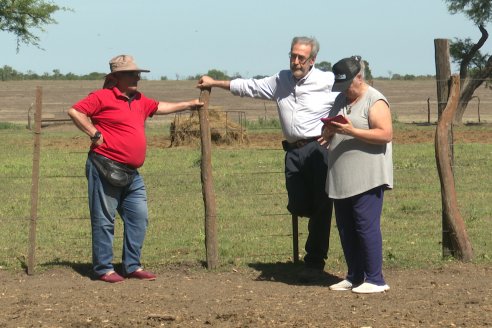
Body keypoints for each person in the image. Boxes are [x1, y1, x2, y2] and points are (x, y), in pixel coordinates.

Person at [197, 36, 336, 277]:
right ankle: (313, 238)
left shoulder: (327, 80)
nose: (295, 61)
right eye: (292, 56)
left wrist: (334, 129)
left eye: (301, 57)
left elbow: (348, 99)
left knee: (323, 204)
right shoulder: (280, 80)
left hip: (318, 148)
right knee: (299, 204)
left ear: (312, 60)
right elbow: (250, 87)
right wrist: (215, 82)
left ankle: (314, 261)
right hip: (293, 151)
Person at [68, 55, 203, 283]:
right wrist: (94, 133)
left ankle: (132, 266)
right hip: (104, 165)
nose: (137, 77)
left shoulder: (139, 99)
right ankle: (103, 268)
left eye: (137, 74)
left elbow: (160, 106)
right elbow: (75, 112)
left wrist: (189, 104)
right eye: (131, 73)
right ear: (116, 77)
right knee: (104, 219)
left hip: (132, 172)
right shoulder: (101, 97)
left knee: (138, 217)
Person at [321, 56, 393, 294]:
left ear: (359, 77)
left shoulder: (375, 100)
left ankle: (375, 279)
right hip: (341, 179)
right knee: (346, 228)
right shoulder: (341, 99)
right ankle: (354, 275)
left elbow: (385, 134)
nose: (344, 91)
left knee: (365, 226)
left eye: (347, 85)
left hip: (367, 177)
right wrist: (328, 130)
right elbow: (331, 126)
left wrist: (351, 130)